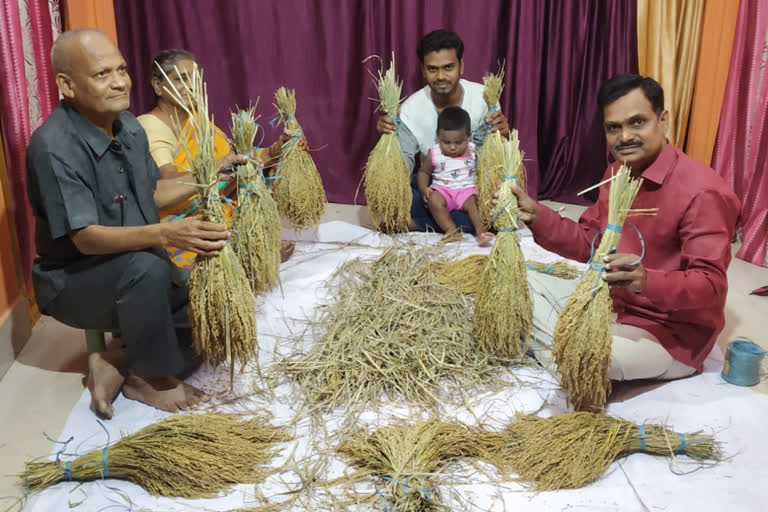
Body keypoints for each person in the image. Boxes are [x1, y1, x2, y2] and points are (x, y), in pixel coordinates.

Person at [26, 29, 241, 418]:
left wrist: (212, 174)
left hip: (137, 263)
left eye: (121, 69)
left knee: (212, 323)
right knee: (147, 267)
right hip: (74, 279)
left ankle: (115, 360)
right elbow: (87, 239)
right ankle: (148, 377)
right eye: (102, 74)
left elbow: (152, 194)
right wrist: (167, 232)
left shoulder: (129, 127)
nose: (120, 81)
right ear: (67, 85)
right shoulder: (53, 146)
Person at [505, 74, 740, 410]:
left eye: (637, 122)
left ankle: (571, 360)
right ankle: (567, 357)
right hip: (611, 304)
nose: (625, 136)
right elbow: (590, 243)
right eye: (613, 127)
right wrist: (538, 215)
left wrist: (647, 281)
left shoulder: (703, 191)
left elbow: (711, 286)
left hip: (669, 333)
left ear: (663, 119)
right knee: (519, 281)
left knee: (581, 355)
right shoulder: (617, 173)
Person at [137, 49, 296, 268]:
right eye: (180, 79)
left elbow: (231, 160)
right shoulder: (151, 124)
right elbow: (169, 176)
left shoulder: (199, 122)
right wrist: (218, 171)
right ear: (157, 85)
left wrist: (275, 150)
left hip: (214, 208)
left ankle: (245, 247)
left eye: (195, 79)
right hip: (180, 220)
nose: (191, 86)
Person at [376, 29, 511, 233]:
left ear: (461, 66)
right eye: (433, 69)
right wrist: (388, 142)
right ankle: (459, 223)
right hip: (437, 184)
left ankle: (419, 224)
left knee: (501, 207)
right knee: (399, 200)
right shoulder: (410, 110)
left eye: (448, 67)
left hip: (473, 186)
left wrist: (504, 137)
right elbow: (403, 165)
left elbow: (489, 163)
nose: (441, 76)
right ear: (423, 70)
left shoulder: (484, 99)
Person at [417, 106, 493, 245]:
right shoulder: (434, 153)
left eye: (458, 142)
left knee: (476, 204)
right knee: (433, 200)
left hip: (467, 191)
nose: (452, 147)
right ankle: (451, 230)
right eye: (446, 142)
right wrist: (423, 189)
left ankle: (481, 232)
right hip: (443, 190)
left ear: (468, 136)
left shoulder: (472, 149)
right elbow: (423, 172)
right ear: (438, 136)